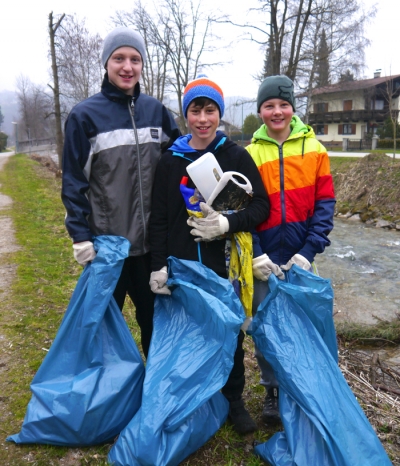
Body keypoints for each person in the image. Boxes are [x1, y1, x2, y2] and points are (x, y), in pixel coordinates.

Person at [148, 75, 270, 434]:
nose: (203, 119)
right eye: (196, 110)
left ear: (220, 114)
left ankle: (233, 399)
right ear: (187, 114)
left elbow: (261, 207)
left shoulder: (235, 155)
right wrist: (158, 266)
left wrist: (226, 225)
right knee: (190, 333)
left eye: (210, 110)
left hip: (224, 266)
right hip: (183, 265)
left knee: (229, 333)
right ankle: (194, 397)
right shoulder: (170, 161)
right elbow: (159, 218)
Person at [61, 27, 180, 359]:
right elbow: (73, 182)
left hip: (152, 250)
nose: (127, 66)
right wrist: (80, 237)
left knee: (156, 326)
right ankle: (108, 399)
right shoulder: (84, 116)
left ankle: (155, 396)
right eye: (119, 58)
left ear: (142, 65)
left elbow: (180, 170)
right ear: (106, 63)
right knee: (102, 330)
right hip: (107, 249)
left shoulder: (158, 112)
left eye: (135, 59)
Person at [246, 74, 336, 425]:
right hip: (264, 258)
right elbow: (243, 209)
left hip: (301, 258)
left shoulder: (315, 150)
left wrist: (309, 251)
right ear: (261, 110)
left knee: (301, 327)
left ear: (293, 109)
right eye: (269, 105)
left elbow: (325, 204)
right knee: (266, 326)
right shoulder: (250, 153)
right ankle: (271, 389)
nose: (277, 111)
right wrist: (254, 253)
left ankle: (296, 386)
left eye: (283, 105)